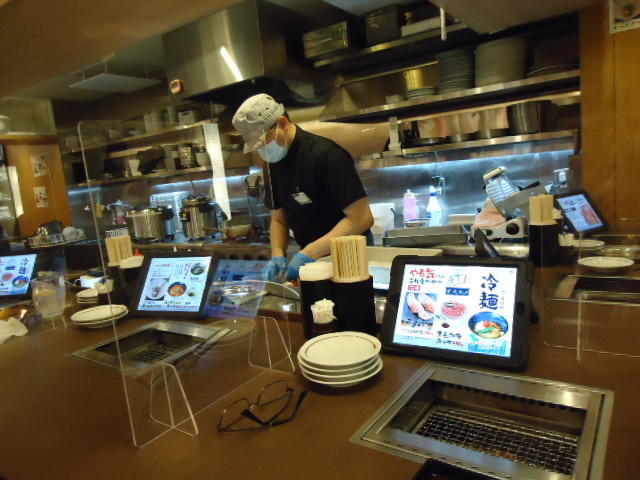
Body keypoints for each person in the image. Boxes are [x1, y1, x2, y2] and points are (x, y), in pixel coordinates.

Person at [232, 93, 374, 281]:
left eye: (264, 142)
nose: (262, 150)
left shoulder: (327, 155)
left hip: (350, 260)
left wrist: (308, 253)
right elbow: (278, 219)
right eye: (257, 146)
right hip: (311, 264)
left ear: (282, 124)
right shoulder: (272, 164)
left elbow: (362, 218)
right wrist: (277, 254)